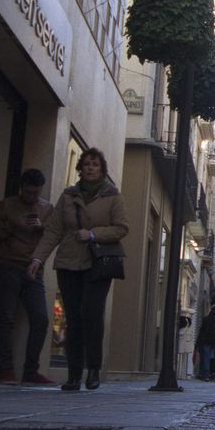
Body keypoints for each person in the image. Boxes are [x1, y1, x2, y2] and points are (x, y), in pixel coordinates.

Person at [28, 148, 127, 392]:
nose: (90, 168)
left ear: (102, 169)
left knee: (91, 313)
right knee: (73, 317)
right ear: (80, 168)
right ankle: (73, 374)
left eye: (95, 164)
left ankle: (93, 368)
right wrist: (38, 259)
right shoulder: (68, 196)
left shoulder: (113, 196)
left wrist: (93, 234)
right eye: (86, 164)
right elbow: (53, 230)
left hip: (98, 263)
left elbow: (121, 228)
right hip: (69, 262)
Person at [0, 168, 54, 385]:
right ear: (21, 188)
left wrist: (41, 228)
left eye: (35, 193)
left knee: (41, 319)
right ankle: (5, 369)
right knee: (6, 318)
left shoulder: (47, 208)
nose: (31, 197)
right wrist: (13, 225)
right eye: (27, 192)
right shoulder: (6, 206)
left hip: (34, 269)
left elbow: (52, 237)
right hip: (9, 266)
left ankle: (31, 370)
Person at [197, 304, 215, 380]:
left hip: (207, 340)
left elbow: (202, 331)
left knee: (206, 357)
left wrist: (200, 341)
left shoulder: (205, 319)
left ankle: (206, 375)